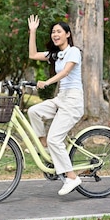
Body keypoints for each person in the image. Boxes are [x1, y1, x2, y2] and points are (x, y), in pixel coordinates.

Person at [27, 14, 84, 196]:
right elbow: (33, 54)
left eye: (59, 31)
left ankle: (72, 177)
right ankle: (44, 148)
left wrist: (47, 82)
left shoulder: (73, 51)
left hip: (73, 100)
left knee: (55, 139)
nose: (55, 34)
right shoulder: (56, 55)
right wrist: (33, 31)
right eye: (53, 32)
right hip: (61, 98)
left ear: (67, 34)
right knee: (34, 111)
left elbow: (66, 72)